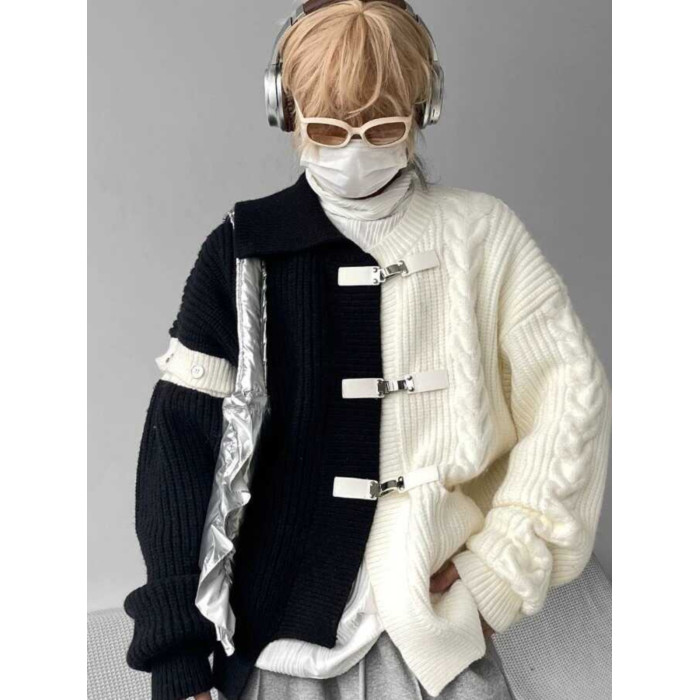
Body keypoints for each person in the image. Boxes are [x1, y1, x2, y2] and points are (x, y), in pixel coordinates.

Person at [123, 2, 612, 700]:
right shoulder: (243, 252)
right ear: (286, 110)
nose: (354, 149)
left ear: (423, 109)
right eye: (329, 128)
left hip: (435, 627)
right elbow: (176, 452)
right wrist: (176, 658)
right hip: (274, 638)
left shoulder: (483, 236)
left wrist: (499, 574)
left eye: (382, 127)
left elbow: (571, 400)